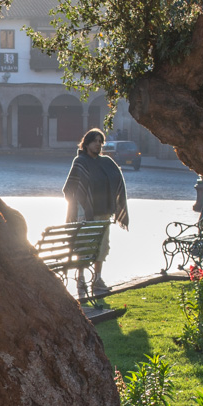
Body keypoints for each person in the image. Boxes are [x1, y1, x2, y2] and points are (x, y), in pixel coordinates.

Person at [63, 127, 130, 298]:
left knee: (102, 246)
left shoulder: (106, 162)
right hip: (84, 214)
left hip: (104, 212)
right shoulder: (80, 162)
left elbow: (117, 178)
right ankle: (81, 278)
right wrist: (78, 208)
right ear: (86, 144)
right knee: (84, 246)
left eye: (101, 142)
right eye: (95, 141)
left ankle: (98, 278)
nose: (98, 145)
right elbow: (69, 188)